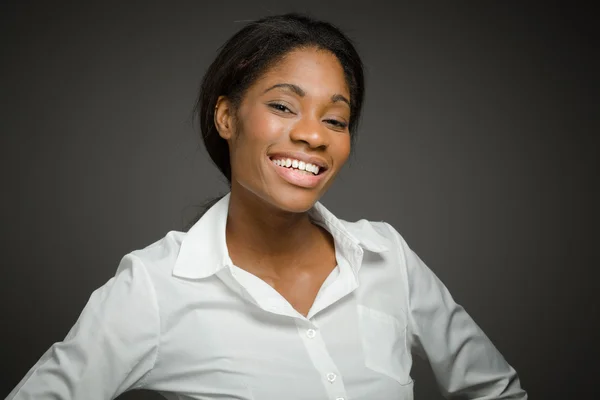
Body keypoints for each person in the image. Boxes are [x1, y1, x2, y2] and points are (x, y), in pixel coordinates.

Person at [7, 13, 527, 400]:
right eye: (282, 106)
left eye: (336, 120)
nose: (311, 135)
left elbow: (497, 391)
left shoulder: (386, 255)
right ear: (227, 117)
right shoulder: (154, 286)